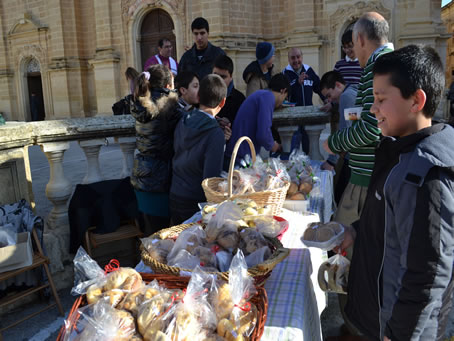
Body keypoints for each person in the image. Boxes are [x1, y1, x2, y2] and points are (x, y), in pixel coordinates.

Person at [338, 45, 454, 341]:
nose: (373, 109)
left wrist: (399, 334)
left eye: (380, 99)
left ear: (416, 100)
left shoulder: (426, 174)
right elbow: (395, 221)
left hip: (398, 328)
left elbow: (428, 270)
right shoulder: (397, 148)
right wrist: (356, 231)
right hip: (375, 316)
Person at [322, 12, 393, 338]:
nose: (353, 52)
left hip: (365, 180)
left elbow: (370, 129)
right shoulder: (387, 64)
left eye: (353, 45)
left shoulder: (377, 69)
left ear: (360, 40)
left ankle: (356, 326)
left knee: (349, 253)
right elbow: (369, 118)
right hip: (374, 175)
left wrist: (334, 143)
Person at [129, 64, 181, 234]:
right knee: (164, 238)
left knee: (151, 234)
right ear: (168, 85)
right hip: (161, 178)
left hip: (142, 175)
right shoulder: (170, 106)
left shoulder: (140, 103)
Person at [170, 74, 227, 224]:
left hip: (175, 193)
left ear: (199, 96)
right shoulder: (215, 133)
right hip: (195, 201)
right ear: (223, 102)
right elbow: (211, 180)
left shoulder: (184, 119)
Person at [224, 74, 289, 167]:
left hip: (237, 154)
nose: (282, 102)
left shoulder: (261, 95)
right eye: (285, 98)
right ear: (283, 91)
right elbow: (263, 134)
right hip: (240, 158)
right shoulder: (268, 98)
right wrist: (275, 146)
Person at [320, 71, 357, 204]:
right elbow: (354, 117)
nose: (329, 99)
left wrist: (331, 161)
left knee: (341, 197)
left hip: (354, 158)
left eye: (329, 95)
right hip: (355, 155)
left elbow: (344, 132)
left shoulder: (346, 97)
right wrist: (334, 105)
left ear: (337, 85)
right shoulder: (351, 91)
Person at [283, 47, 325, 154]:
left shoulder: (309, 70)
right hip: (292, 118)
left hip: (308, 116)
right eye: (293, 58)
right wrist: (297, 83)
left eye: (298, 57)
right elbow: (283, 93)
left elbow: (319, 87)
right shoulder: (285, 73)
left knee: (309, 149)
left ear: (302, 57)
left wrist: (326, 100)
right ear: (289, 60)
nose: (296, 60)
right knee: (293, 150)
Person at [213, 55, 245, 142]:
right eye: (215, 75)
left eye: (223, 77)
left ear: (231, 77)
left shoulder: (239, 99)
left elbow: (243, 127)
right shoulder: (203, 96)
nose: (218, 80)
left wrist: (229, 124)